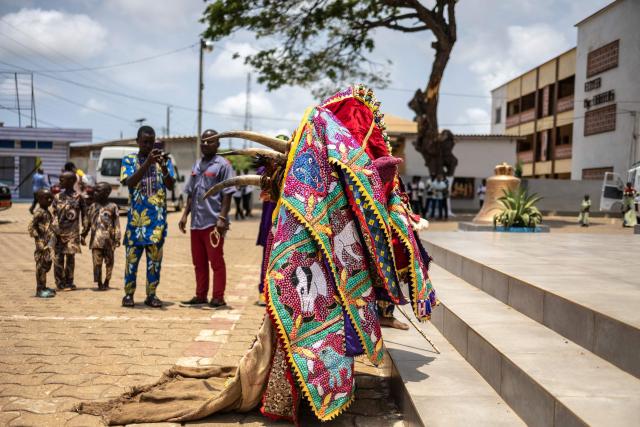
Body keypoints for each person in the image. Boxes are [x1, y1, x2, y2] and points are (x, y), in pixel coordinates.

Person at [120, 126, 176, 308]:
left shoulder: (163, 160)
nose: (148, 145)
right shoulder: (128, 160)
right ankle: (128, 295)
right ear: (137, 141)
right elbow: (130, 182)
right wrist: (147, 163)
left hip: (157, 223)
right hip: (136, 222)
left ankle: (151, 295)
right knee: (131, 262)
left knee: (154, 264)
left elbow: (171, 185)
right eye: (145, 142)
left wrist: (162, 166)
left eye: (151, 142)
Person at [179, 129, 235, 308]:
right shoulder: (197, 165)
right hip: (196, 223)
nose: (205, 144)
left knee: (216, 262)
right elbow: (190, 193)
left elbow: (228, 194)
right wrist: (184, 215)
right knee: (199, 262)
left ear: (218, 144)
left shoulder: (223, 165)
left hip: (213, 223)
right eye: (203, 141)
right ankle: (200, 295)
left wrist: (222, 218)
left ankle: (218, 297)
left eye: (210, 141)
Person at [51, 171, 88, 291]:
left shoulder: (79, 197)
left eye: (62, 180)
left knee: (70, 258)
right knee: (58, 258)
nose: (60, 182)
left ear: (72, 181)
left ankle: (69, 281)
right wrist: (54, 230)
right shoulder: (57, 197)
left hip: (73, 233)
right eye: (60, 179)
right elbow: (53, 214)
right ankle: (59, 282)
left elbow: (85, 215)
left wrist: (85, 231)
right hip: (58, 233)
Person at [85, 182, 121, 290]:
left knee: (109, 262)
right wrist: (83, 234)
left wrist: (117, 238)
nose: (95, 193)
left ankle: (107, 281)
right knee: (97, 263)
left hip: (109, 240)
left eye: (98, 191)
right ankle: (99, 282)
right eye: (94, 190)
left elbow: (117, 223)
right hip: (96, 240)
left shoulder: (113, 207)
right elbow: (87, 221)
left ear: (106, 193)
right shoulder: (92, 206)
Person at [28, 189, 56, 298]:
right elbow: (31, 226)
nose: (49, 200)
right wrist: (38, 240)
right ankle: (39, 289)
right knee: (41, 267)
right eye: (46, 198)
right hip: (42, 244)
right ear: (39, 199)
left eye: (51, 198)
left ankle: (44, 287)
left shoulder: (47, 211)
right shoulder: (39, 212)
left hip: (48, 244)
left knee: (47, 265)